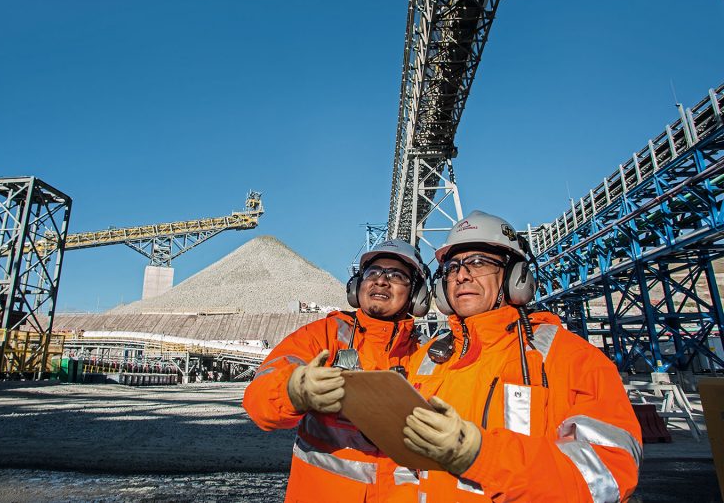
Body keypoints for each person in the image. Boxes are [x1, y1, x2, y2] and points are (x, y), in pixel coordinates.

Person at [401, 211, 642, 502]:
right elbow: (400, 464)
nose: (462, 275)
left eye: (479, 263)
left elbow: (607, 473)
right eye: (452, 267)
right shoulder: (426, 359)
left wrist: (483, 456)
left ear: (517, 277)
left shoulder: (572, 359)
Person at [243, 239, 431, 502]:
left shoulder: (430, 356)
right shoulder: (323, 337)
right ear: (357, 286)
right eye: (372, 273)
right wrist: (293, 391)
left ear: (417, 294)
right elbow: (258, 401)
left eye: (396, 275)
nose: (381, 281)